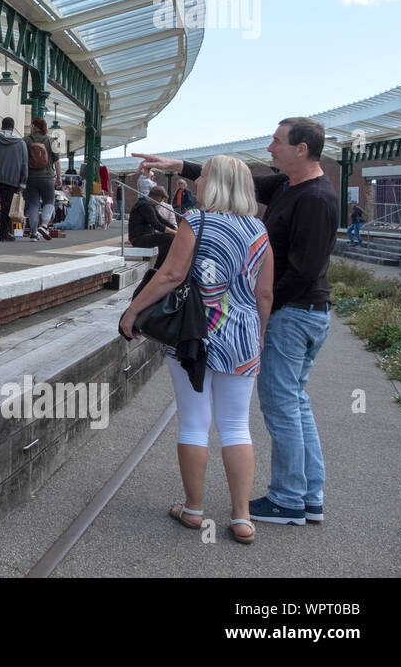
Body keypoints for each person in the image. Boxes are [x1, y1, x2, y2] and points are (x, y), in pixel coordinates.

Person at [137, 116, 340, 526]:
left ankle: (286, 499)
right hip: (271, 320)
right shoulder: (286, 188)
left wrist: (248, 308)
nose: (270, 149)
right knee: (285, 407)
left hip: (293, 314)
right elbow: (237, 179)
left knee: (280, 407)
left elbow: (302, 272)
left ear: (301, 150)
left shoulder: (315, 198)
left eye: (277, 143)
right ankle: (295, 498)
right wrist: (177, 166)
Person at [119, 155, 274, 545]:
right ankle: (242, 518)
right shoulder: (259, 229)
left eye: (203, 176)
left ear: (217, 183)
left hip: (196, 335)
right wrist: (258, 336)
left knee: (194, 421)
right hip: (242, 337)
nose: (198, 182)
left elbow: (171, 275)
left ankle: (194, 509)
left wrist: (133, 310)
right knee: (238, 425)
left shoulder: (197, 223)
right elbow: (265, 293)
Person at [23, 117, 62, 242]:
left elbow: (22, 161)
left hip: (31, 177)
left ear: (34, 126)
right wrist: (59, 177)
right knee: (49, 202)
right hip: (47, 177)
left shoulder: (26, 141)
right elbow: (57, 162)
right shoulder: (52, 141)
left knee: (33, 204)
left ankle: (33, 233)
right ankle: (44, 226)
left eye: (31, 125)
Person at [128, 186, 178, 271]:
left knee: (169, 237)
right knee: (169, 238)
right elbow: (157, 224)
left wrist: (176, 229)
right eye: (161, 199)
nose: (161, 201)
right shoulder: (144, 206)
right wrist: (176, 233)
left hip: (145, 236)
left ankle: (160, 266)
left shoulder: (149, 205)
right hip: (138, 239)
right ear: (156, 197)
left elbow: (162, 220)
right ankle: (158, 268)